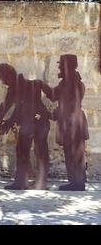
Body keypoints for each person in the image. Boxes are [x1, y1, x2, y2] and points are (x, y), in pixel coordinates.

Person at [0, 63, 50, 190]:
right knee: (28, 151)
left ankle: (29, 182)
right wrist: (2, 122)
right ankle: (27, 182)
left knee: (35, 151)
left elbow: (5, 110)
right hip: (35, 122)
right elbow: (14, 109)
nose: (4, 83)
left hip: (34, 121)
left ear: (8, 76)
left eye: (3, 79)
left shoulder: (19, 88)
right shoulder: (28, 85)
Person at [42, 54, 89, 191]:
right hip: (73, 121)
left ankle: (77, 183)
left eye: (61, 64)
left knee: (73, 152)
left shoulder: (70, 83)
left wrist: (41, 85)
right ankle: (76, 182)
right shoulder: (72, 82)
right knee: (74, 152)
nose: (59, 67)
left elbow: (54, 96)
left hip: (72, 122)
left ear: (67, 66)